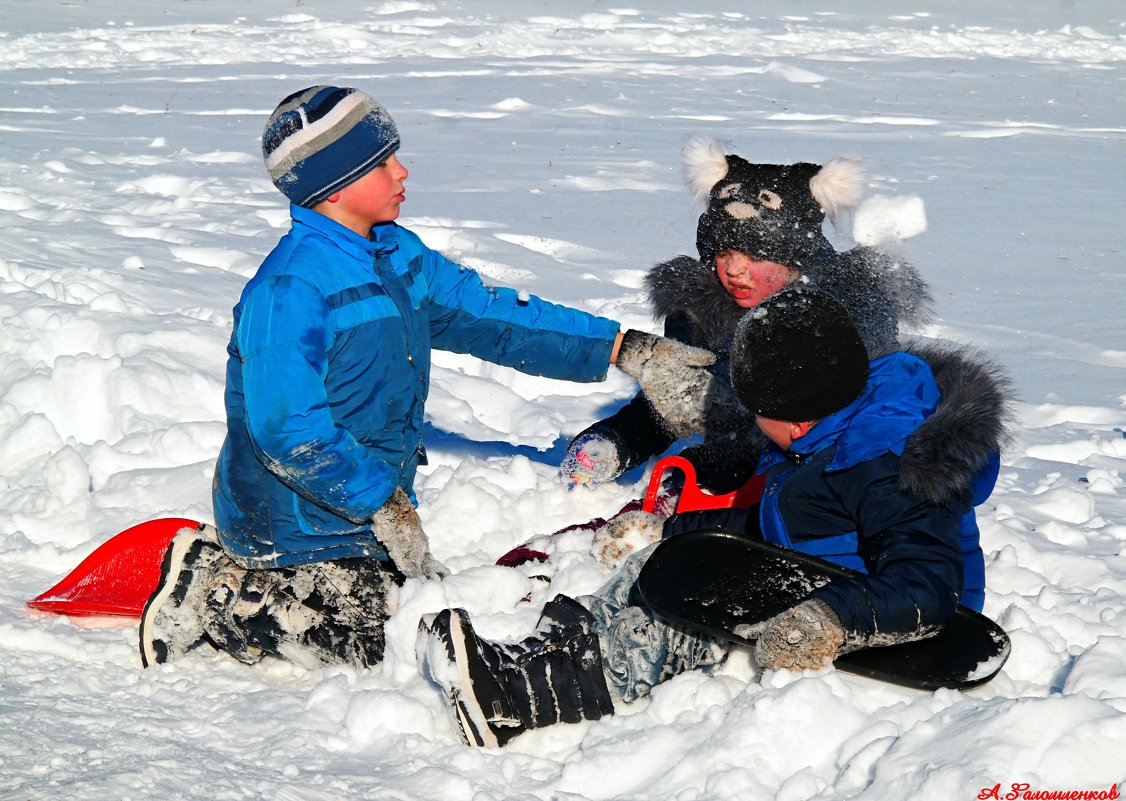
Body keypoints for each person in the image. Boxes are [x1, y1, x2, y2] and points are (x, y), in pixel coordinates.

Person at [138, 85, 713, 670]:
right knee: (374, 650)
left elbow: (492, 318)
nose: (401, 170)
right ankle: (222, 593)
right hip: (294, 522)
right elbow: (288, 432)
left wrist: (626, 349)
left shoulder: (395, 256)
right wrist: (381, 502)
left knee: (412, 624)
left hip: (365, 512)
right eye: (382, 163)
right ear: (335, 186)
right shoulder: (291, 291)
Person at [418, 287, 1013, 749]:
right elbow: (794, 521)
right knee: (675, 567)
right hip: (821, 578)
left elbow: (928, 586)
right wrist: (674, 533)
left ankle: (528, 700)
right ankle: (563, 648)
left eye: (759, 413)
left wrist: (831, 621)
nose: (754, 426)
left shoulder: (889, 468)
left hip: (887, 626)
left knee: (685, 621)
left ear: (797, 416)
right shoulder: (833, 433)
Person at [560, 137, 934, 496]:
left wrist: (720, 468)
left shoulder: (842, 322)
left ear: (795, 261)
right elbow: (687, 394)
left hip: (814, 482)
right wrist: (618, 439)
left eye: (755, 257)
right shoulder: (706, 311)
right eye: (723, 255)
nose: (735, 271)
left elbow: (834, 434)